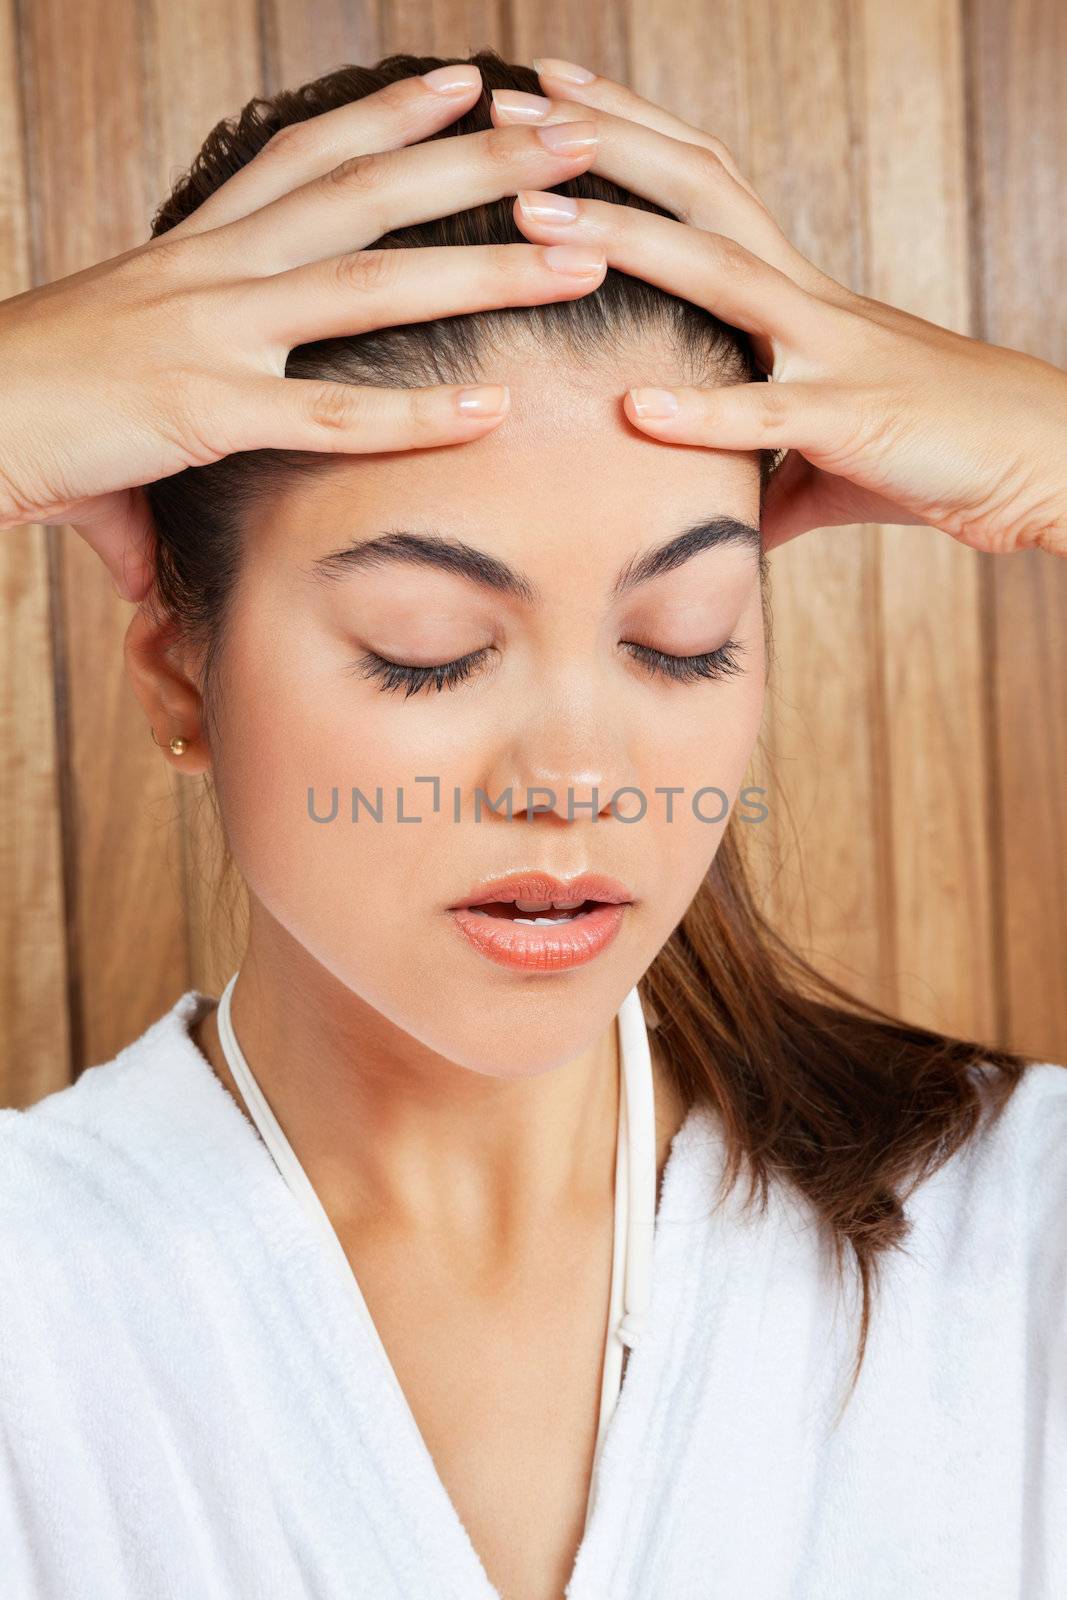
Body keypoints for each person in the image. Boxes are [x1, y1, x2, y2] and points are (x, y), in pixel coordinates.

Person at [1, 47, 1065, 1600]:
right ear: (181, 678)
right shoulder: (33, 1299)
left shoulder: (1021, 1227)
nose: (579, 774)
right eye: (425, 647)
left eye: (684, 635)